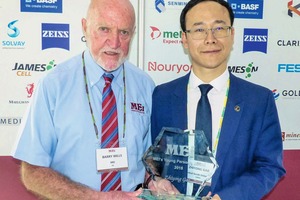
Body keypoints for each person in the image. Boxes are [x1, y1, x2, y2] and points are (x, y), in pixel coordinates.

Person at [12, 0, 155, 199]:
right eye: (104, 29)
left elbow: (150, 163)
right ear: (85, 27)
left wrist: (155, 181)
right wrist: (97, 197)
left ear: (133, 33)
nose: (114, 43)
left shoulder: (146, 86)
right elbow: (32, 173)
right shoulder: (54, 84)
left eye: (124, 32)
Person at [150, 0, 286, 199]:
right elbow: (154, 159)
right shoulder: (162, 96)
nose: (210, 38)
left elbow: (269, 166)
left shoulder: (259, 100)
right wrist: (155, 180)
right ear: (184, 39)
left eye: (219, 28)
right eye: (199, 30)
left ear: (232, 35)